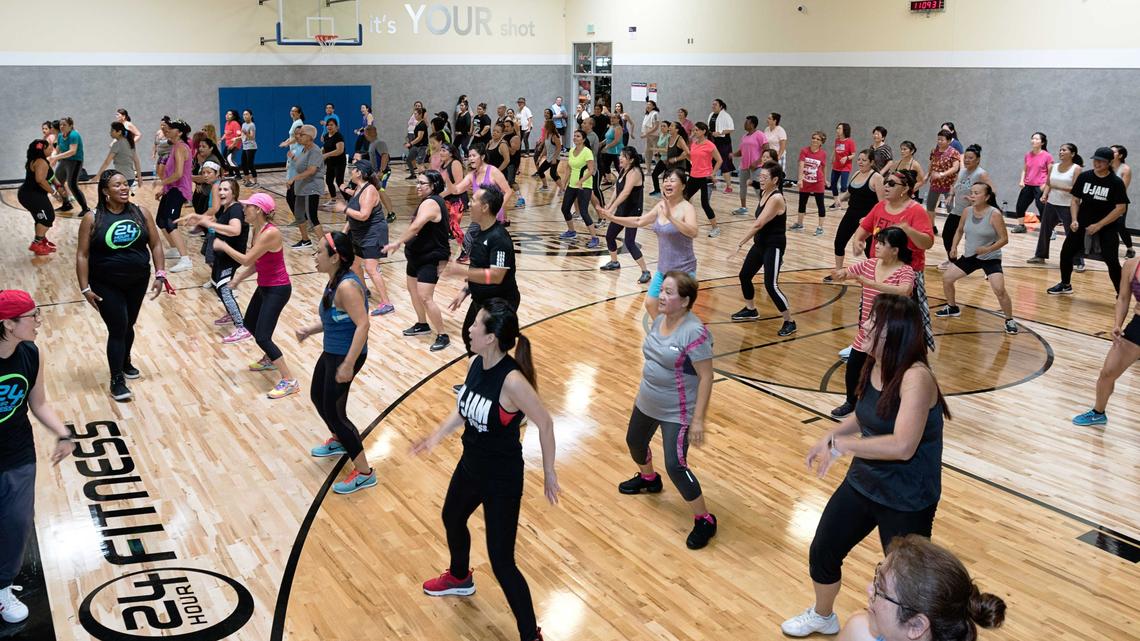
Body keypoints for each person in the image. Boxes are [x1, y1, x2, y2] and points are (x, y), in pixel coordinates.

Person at [782, 294, 950, 637]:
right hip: (864, 482)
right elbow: (865, 414)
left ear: (896, 333)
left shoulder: (916, 378)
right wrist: (831, 436)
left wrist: (843, 446)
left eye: (874, 322)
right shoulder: (874, 364)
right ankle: (822, 615)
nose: (866, 325)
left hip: (907, 497)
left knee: (906, 583)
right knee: (824, 548)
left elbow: (903, 446)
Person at [413, 299, 558, 641]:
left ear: (492, 337)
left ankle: (530, 634)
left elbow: (546, 424)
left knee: (502, 561)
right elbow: (464, 408)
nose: (470, 329)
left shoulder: (512, 382)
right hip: (470, 466)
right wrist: (435, 437)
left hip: (501, 480)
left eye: (477, 324)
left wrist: (550, 472)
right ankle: (461, 577)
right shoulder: (477, 363)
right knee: (451, 517)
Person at [617, 271, 718, 549]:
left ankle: (705, 519)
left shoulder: (694, 332)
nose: (662, 296)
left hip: (678, 410)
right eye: (663, 290)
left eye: (669, 292)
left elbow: (707, 377)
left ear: (685, 301)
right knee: (634, 443)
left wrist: (698, 421)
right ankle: (649, 479)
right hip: (647, 400)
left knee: (675, 465)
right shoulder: (660, 318)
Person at [0, 290, 75, 625]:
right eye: (33, 317)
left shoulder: (30, 353)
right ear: (9, 323)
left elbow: (38, 402)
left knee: (16, 524)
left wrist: (63, 433)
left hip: (17, 454)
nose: (40, 322)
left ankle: (2, 589)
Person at [76, 170, 170, 401]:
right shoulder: (93, 218)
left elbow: (156, 245)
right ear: (105, 192)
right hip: (106, 283)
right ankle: (116, 378)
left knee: (129, 324)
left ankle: (125, 360)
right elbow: (82, 255)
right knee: (118, 327)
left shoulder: (141, 213)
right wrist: (85, 288)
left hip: (137, 280)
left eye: (125, 184)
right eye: (117, 185)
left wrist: (160, 273)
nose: (123, 188)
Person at [297, 232, 376, 495]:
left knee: (335, 412)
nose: (315, 256)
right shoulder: (334, 281)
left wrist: (349, 363)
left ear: (335, 257)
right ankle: (341, 440)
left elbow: (363, 324)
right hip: (333, 351)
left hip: (346, 355)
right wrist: (310, 329)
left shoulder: (347, 287)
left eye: (319, 252)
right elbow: (336, 320)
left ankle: (364, 472)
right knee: (318, 397)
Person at [838, 535, 1007, 641]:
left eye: (880, 590)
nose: (869, 589)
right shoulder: (859, 629)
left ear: (916, 626)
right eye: (877, 577)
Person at [213, 192, 300, 399]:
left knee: (262, 336)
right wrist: (239, 279)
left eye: (247, 207)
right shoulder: (257, 229)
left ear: (258, 210)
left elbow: (245, 259)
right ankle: (270, 359)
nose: (243, 210)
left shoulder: (271, 233)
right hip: (265, 287)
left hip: (278, 289)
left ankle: (289, 380)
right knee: (249, 324)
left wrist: (224, 246)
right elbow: (257, 262)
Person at [828, 227, 915, 417]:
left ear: (895, 250)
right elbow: (849, 272)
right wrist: (841, 273)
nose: (877, 246)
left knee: (887, 371)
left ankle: (887, 406)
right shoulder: (870, 264)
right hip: (868, 329)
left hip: (890, 333)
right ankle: (850, 401)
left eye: (883, 244)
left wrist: (869, 283)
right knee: (854, 366)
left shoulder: (905, 271)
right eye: (877, 242)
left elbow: (904, 290)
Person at [852, 170, 936, 351]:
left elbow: (927, 243)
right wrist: (857, 241)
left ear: (905, 189)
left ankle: (907, 351)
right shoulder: (880, 206)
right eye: (885, 182)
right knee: (869, 310)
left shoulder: (916, 211)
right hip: (879, 269)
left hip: (905, 272)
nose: (886, 186)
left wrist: (908, 229)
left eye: (891, 184)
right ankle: (867, 344)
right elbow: (864, 228)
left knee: (904, 317)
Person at [602, 168, 699, 318]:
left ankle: (673, 337)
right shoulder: (661, 206)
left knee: (678, 312)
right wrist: (613, 218)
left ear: (683, 186)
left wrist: (671, 218)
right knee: (650, 304)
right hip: (663, 269)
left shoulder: (687, 208)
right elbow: (639, 221)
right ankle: (662, 334)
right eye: (665, 180)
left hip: (683, 271)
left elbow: (693, 232)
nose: (667, 183)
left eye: (672, 180)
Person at [447, 185, 520, 354]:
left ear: (485, 207)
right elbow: (478, 266)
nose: (469, 204)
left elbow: (496, 276)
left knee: (489, 348)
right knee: (469, 337)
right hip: (481, 300)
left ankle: (491, 379)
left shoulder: (499, 238)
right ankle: (475, 380)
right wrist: (465, 290)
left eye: (473, 200)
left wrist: (461, 271)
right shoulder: (480, 232)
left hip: (500, 303)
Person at [1049, 147, 1130, 297]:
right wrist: (1074, 220)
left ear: (1109, 162)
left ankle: (1121, 293)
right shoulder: (1085, 177)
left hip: (1106, 227)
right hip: (1082, 224)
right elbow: (1075, 200)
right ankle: (1065, 285)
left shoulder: (1115, 182)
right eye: (1095, 160)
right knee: (1066, 253)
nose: (1097, 163)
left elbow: (1120, 208)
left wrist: (1099, 225)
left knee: (1111, 260)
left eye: (1101, 161)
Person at [385, 170, 452, 351]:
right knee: (414, 292)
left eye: (422, 183)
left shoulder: (432, 203)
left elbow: (415, 227)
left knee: (425, 297)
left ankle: (442, 334)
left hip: (430, 258)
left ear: (433, 186)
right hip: (416, 256)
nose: (418, 186)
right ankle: (422, 324)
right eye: (418, 182)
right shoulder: (426, 201)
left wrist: (398, 242)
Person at [937, 183, 1016, 333]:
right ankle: (952, 307)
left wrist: (988, 249)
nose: (972, 195)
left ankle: (1009, 319)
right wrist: (954, 247)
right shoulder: (967, 211)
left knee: (999, 289)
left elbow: (1004, 239)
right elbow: (959, 231)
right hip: (970, 256)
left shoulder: (995, 214)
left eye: (977, 193)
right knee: (947, 278)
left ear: (986, 197)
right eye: (972, 192)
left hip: (990, 257)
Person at [1073, 253, 1140, 426]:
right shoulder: (1132, 265)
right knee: (1107, 372)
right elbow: (1123, 298)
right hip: (1138, 326)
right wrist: (1117, 324)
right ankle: (1098, 412)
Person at [730, 162, 797, 335]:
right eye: (760, 176)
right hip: (760, 243)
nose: (761, 179)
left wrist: (739, 243)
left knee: (771, 285)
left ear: (775, 180)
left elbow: (759, 223)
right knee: (745, 275)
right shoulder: (765, 191)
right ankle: (751, 309)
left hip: (773, 246)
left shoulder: (776, 198)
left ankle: (789, 321)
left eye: (764, 177)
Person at [184, 178, 253, 343]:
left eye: (226, 190)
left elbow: (235, 230)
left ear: (234, 193)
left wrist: (211, 226)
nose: (222, 192)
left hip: (231, 255)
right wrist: (201, 223)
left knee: (224, 287)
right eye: (220, 189)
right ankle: (231, 312)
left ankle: (241, 327)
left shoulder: (235, 209)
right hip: (222, 255)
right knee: (216, 284)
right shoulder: (225, 208)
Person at [337, 159, 394, 316]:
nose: (351, 171)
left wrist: (344, 209)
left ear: (360, 173)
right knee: (354, 265)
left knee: (371, 267)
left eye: (354, 169)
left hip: (373, 233)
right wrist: (343, 231)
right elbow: (353, 215)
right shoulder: (359, 189)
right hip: (359, 234)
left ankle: (387, 303)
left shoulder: (369, 190)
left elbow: (363, 215)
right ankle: (364, 290)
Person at [597, 148, 652, 282]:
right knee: (610, 235)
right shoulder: (623, 170)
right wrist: (609, 206)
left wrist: (611, 210)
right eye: (620, 155)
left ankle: (645, 271)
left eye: (624, 156)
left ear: (631, 160)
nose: (620, 158)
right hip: (623, 209)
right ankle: (614, 262)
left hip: (633, 211)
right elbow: (617, 189)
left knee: (629, 242)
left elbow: (626, 192)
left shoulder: (635, 172)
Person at [828, 150, 883, 279]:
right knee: (839, 242)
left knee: (870, 250)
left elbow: (882, 203)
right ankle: (838, 272)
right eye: (859, 159)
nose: (860, 162)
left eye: (864, 160)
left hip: (868, 219)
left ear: (872, 162)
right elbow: (850, 192)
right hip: (851, 214)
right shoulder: (857, 173)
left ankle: (877, 275)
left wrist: (870, 218)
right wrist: (839, 199)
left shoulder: (876, 177)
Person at [1030, 143, 1083, 267]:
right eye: (1060, 150)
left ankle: (1078, 261)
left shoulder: (1076, 168)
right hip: (1052, 203)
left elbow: (1075, 189)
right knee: (1044, 230)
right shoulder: (1053, 167)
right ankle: (1040, 256)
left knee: (1072, 234)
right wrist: (1045, 195)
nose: (1061, 152)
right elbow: (1049, 183)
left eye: (1064, 150)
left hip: (1068, 205)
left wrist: (1057, 186)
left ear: (1073, 153)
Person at [941, 144, 993, 268]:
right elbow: (955, 185)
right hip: (957, 210)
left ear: (978, 160)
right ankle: (952, 261)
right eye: (966, 157)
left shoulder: (981, 174)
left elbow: (992, 192)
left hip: (973, 213)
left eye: (971, 158)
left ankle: (988, 265)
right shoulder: (962, 171)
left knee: (977, 241)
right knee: (947, 235)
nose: (967, 160)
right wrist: (950, 195)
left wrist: (974, 199)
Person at [154, 118, 194, 272]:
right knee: (160, 220)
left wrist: (161, 183)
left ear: (180, 132)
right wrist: (164, 189)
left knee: (170, 222)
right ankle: (175, 249)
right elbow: (172, 173)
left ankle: (185, 259)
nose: (168, 130)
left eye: (171, 128)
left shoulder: (181, 148)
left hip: (179, 190)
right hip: (171, 189)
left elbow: (178, 174)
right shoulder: (175, 147)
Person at [558, 129, 602, 247]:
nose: (575, 138)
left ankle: (595, 238)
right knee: (565, 208)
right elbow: (569, 168)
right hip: (572, 185)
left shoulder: (587, 152)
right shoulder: (571, 151)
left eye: (578, 136)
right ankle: (571, 231)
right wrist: (564, 183)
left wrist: (581, 181)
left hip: (585, 185)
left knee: (583, 212)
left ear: (583, 139)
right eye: (574, 136)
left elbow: (591, 170)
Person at [287, 124, 325, 250]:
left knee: (312, 216)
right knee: (298, 214)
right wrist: (293, 158)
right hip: (302, 187)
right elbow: (302, 164)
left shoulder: (315, 150)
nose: (299, 136)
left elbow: (311, 170)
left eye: (301, 134)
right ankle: (305, 240)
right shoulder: (304, 149)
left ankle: (325, 247)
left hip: (311, 187)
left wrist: (293, 178)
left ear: (309, 137)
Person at [18, 140, 59, 256]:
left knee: (41, 217)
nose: (52, 148)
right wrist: (54, 192)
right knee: (47, 218)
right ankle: (36, 243)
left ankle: (42, 240)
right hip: (31, 195)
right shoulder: (41, 162)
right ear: (42, 150)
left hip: (30, 194)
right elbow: (40, 180)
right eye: (49, 147)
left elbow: (51, 176)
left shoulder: (36, 160)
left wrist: (58, 186)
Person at [685, 122, 723, 237]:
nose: (694, 132)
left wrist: (713, 173)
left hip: (705, 178)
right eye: (694, 130)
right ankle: (684, 223)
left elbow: (719, 160)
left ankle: (715, 228)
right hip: (693, 176)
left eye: (696, 130)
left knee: (704, 204)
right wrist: (686, 154)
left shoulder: (710, 145)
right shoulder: (694, 144)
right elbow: (691, 158)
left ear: (703, 131)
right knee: (683, 198)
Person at [49, 116, 90, 216]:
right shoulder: (60, 135)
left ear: (71, 126)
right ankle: (66, 204)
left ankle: (85, 208)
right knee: (57, 182)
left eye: (64, 125)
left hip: (75, 161)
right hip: (64, 161)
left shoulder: (74, 135)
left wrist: (56, 157)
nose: (62, 126)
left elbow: (72, 151)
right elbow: (58, 148)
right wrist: (53, 156)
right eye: (60, 125)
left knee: (72, 185)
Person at [1012, 132, 1052, 234]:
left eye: (1037, 139)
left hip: (1040, 186)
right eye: (1033, 138)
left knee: (1042, 208)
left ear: (1042, 142)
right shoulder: (1028, 155)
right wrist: (1022, 180)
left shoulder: (1047, 156)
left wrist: (1045, 186)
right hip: (1028, 185)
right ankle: (1021, 226)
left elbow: (1051, 173)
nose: (1034, 141)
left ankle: (1048, 230)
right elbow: (1024, 170)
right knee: (1020, 206)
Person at [924, 130, 962, 231]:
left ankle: (953, 228)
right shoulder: (934, 151)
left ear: (949, 141)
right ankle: (932, 226)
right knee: (930, 206)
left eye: (942, 140)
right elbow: (931, 164)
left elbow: (955, 168)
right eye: (938, 139)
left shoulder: (954, 152)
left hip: (948, 184)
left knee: (950, 208)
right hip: (935, 183)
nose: (939, 141)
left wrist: (941, 174)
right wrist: (927, 175)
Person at [792, 131, 828, 235]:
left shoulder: (823, 154)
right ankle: (800, 224)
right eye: (813, 138)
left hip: (818, 181)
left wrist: (825, 179)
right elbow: (801, 165)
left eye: (818, 139)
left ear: (821, 142)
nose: (815, 140)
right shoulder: (804, 151)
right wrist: (800, 179)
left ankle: (820, 228)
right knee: (802, 202)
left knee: (820, 204)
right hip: (805, 181)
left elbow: (824, 167)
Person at [731, 116, 768, 215]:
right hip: (744, 166)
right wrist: (733, 154)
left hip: (757, 167)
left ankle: (763, 207)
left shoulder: (759, 134)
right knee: (742, 187)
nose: (744, 124)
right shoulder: (744, 136)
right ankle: (743, 208)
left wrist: (757, 162)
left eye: (746, 122)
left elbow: (766, 148)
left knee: (757, 187)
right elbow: (742, 151)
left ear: (752, 124)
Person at [360, 125, 397, 221]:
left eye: (365, 133)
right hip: (375, 173)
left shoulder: (379, 143)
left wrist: (381, 171)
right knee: (372, 192)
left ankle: (391, 214)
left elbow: (385, 156)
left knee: (381, 192)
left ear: (368, 133)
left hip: (382, 172)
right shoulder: (372, 144)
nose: (364, 135)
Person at [95, 122, 143, 196]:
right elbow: (136, 161)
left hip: (121, 178)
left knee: (111, 195)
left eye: (112, 130)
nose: (110, 132)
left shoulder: (117, 144)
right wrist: (139, 177)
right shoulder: (130, 143)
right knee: (122, 197)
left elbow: (107, 162)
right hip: (131, 177)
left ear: (119, 132)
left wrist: (98, 175)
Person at [651, 121, 689, 196]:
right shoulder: (669, 138)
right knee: (666, 184)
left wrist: (675, 159)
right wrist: (660, 155)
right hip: (670, 166)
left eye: (672, 126)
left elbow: (687, 152)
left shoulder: (679, 139)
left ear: (677, 130)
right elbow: (668, 151)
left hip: (679, 167)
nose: (669, 128)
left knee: (676, 188)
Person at [1111, 145, 1135, 259]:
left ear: (1120, 155)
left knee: (1120, 226)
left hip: (1119, 202)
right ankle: (1108, 248)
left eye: (1113, 152)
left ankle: (1130, 248)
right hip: (1104, 200)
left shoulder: (1125, 169)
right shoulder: (1106, 166)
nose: (1110, 153)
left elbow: (1122, 189)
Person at [707, 99, 735, 191]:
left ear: (721, 106)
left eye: (715, 104)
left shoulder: (726, 116)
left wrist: (720, 133)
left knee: (723, 163)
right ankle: (713, 181)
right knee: (711, 162)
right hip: (712, 141)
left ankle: (729, 186)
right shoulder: (711, 115)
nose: (713, 106)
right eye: (712, 104)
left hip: (723, 143)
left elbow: (731, 129)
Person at [322, 119, 347, 206]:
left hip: (339, 162)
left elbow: (340, 150)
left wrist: (326, 155)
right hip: (330, 162)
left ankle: (349, 199)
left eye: (331, 125)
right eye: (328, 125)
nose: (329, 126)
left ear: (336, 126)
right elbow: (325, 148)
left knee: (339, 181)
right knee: (329, 181)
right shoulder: (325, 136)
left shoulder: (338, 136)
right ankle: (333, 199)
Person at [830, 123, 856, 204]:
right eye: (837, 128)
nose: (837, 130)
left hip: (845, 167)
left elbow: (853, 155)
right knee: (833, 184)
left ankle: (845, 199)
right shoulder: (836, 140)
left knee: (843, 186)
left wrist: (846, 158)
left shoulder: (850, 142)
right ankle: (836, 203)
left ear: (844, 130)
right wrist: (832, 157)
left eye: (839, 128)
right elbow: (835, 149)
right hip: (836, 166)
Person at [534, 121, 561, 191]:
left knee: (553, 174)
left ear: (549, 127)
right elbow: (545, 148)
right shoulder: (547, 135)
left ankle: (562, 189)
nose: (544, 127)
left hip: (555, 158)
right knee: (540, 171)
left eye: (545, 125)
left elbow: (559, 148)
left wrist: (554, 158)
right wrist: (540, 157)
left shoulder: (555, 136)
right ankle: (545, 186)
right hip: (549, 158)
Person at [405, 107, 429, 179]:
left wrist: (410, 143)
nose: (414, 115)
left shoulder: (422, 124)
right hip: (416, 146)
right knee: (408, 160)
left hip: (422, 146)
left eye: (416, 114)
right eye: (414, 114)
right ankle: (413, 174)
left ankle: (424, 178)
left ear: (420, 114)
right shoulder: (417, 123)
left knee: (419, 162)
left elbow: (420, 137)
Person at [239, 109, 259, 187]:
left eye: (246, 114)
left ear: (251, 116)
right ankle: (247, 181)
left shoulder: (252, 125)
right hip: (245, 147)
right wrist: (236, 139)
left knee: (250, 164)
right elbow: (243, 136)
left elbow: (252, 137)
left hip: (251, 147)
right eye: (244, 114)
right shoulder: (243, 124)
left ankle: (256, 182)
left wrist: (245, 133)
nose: (245, 116)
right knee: (243, 164)